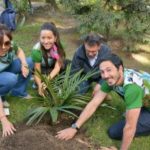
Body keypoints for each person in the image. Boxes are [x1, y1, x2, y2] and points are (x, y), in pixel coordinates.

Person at [56, 53, 150, 150]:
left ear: (120, 68)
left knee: (115, 132)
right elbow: (94, 103)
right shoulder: (112, 79)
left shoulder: (132, 88)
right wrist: (74, 127)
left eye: (109, 70)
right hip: (144, 101)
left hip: (143, 102)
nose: (105, 75)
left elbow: (130, 127)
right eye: (102, 72)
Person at [0, 24, 33, 137]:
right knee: (11, 79)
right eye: (0, 44)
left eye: (7, 43)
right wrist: (3, 119)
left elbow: (19, 51)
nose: (4, 47)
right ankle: (2, 97)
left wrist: (24, 64)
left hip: (6, 67)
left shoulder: (10, 44)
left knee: (29, 62)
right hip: (3, 74)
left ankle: (18, 91)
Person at [31, 22, 66, 96]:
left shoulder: (58, 47)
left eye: (49, 38)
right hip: (42, 69)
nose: (46, 41)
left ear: (55, 38)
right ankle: (37, 83)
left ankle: (56, 80)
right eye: (43, 38)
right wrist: (40, 85)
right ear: (39, 38)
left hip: (52, 67)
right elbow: (37, 71)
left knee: (65, 63)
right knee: (43, 83)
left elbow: (57, 67)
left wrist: (47, 81)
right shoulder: (36, 50)